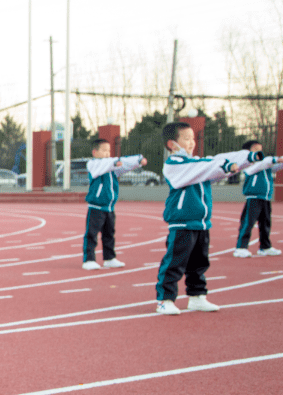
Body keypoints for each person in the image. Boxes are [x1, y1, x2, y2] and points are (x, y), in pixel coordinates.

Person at [154, 123, 263, 315]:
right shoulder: (175, 164)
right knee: (175, 262)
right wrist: (224, 166)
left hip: (201, 222)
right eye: (186, 139)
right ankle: (165, 299)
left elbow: (218, 160)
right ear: (172, 144)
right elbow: (209, 165)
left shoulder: (199, 163)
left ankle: (197, 297)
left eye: (192, 138)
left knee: (199, 263)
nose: (191, 143)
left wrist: (248, 157)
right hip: (182, 223)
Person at [81, 138, 146, 270]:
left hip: (109, 208)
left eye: (108, 150)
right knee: (92, 234)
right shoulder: (93, 164)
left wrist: (138, 161)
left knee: (109, 234)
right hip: (96, 207)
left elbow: (125, 164)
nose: (107, 153)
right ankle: (88, 259)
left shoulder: (112, 167)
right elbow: (110, 163)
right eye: (104, 150)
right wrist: (115, 162)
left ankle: (109, 258)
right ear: (95, 152)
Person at [233, 139, 283, 258]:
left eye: (260, 150)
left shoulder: (265, 165)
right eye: (256, 150)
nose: (259, 153)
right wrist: (275, 159)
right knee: (248, 222)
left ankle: (265, 247)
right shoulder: (249, 164)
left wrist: (279, 161)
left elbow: (274, 165)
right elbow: (264, 163)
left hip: (265, 197)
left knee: (265, 223)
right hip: (254, 196)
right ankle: (241, 247)